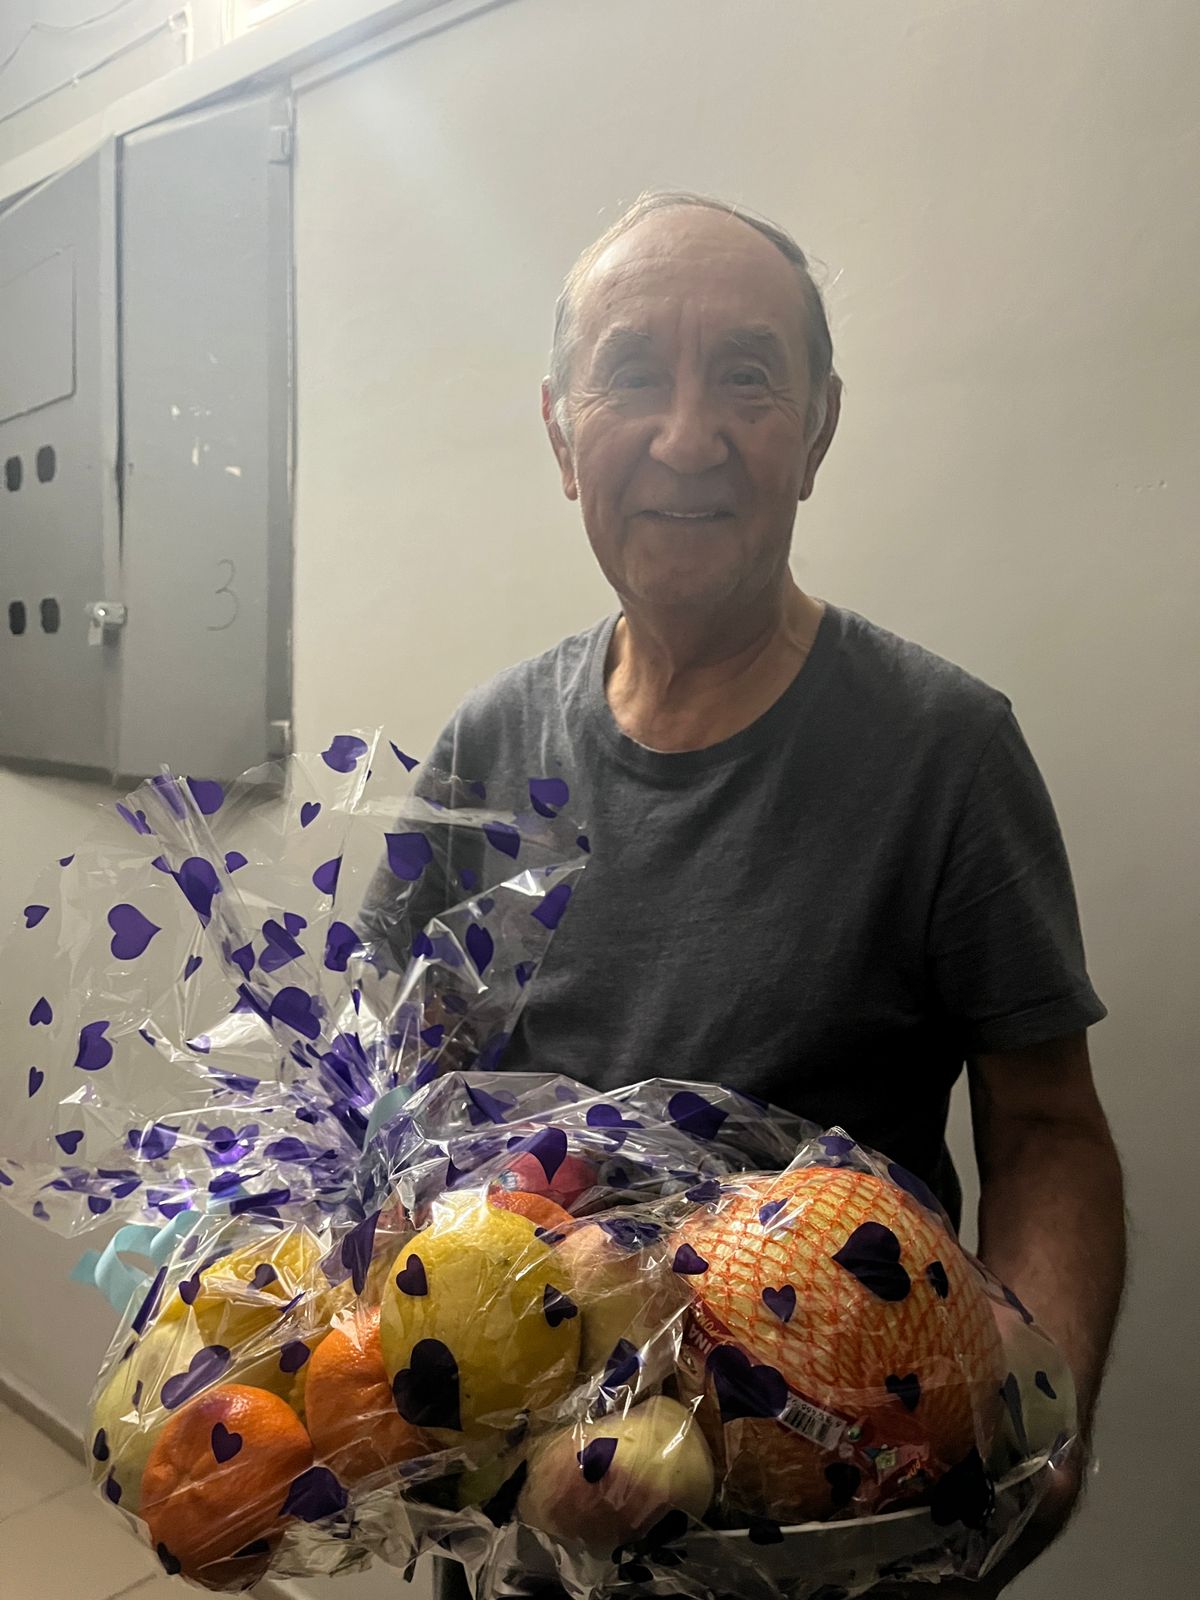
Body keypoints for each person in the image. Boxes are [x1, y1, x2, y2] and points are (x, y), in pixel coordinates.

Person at [388, 192, 1126, 1598]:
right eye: (631, 374)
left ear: (819, 428)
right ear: (561, 435)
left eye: (746, 375)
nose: (688, 437)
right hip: (522, 1533)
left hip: (837, 1529)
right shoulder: (487, 745)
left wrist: (1044, 1413)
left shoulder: (946, 752)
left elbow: (1046, 1130)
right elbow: (385, 1090)